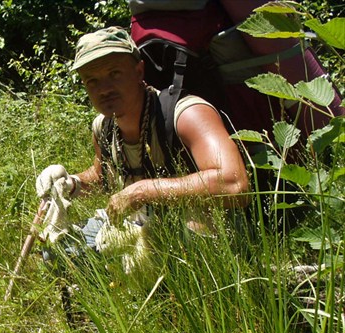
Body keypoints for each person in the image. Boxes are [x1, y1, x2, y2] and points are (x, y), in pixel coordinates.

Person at [36, 26, 250, 238]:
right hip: (137, 226)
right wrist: (69, 183)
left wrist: (144, 191)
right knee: (60, 252)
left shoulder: (186, 115)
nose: (104, 89)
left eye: (114, 73)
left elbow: (234, 183)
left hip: (191, 237)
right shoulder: (104, 127)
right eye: (92, 81)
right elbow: (103, 176)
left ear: (138, 71)